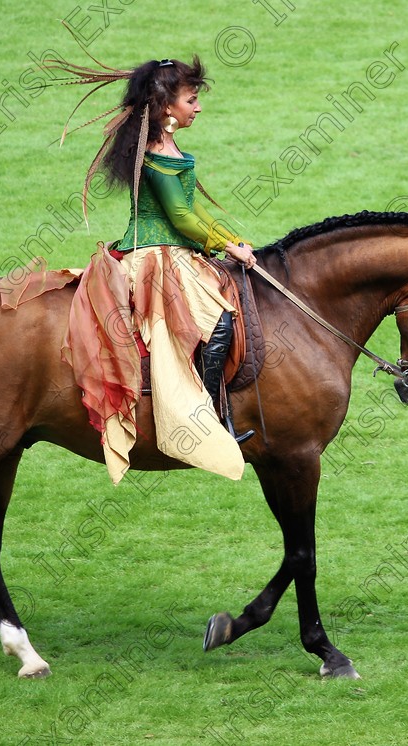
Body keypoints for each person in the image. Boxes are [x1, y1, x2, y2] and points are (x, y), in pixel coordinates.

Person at [50, 50, 256, 483]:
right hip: (157, 256)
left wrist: (230, 240)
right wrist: (225, 245)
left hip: (175, 248)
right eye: (190, 99)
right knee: (216, 318)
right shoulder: (158, 149)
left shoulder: (169, 143)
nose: (198, 106)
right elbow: (180, 219)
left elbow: (194, 208)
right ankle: (211, 416)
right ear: (165, 107)